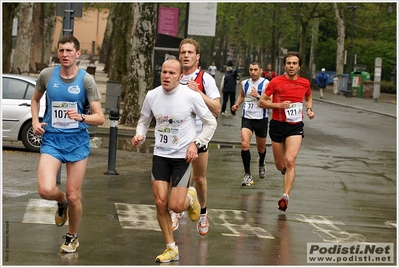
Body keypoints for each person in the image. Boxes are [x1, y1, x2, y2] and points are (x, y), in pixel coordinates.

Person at [131, 58, 217, 263]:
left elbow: (210, 123)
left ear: (180, 76)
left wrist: (196, 143)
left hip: (181, 157)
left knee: (176, 207)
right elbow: (144, 121)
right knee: (160, 203)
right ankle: (171, 247)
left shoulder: (190, 96)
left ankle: (191, 197)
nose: (166, 76)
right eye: (163, 72)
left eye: (171, 73)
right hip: (160, 155)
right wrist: (139, 134)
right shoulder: (152, 95)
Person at [31, 35, 105, 253]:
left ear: (77, 54)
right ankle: (60, 200)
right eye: (61, 50)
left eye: (69, 51)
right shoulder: (47, 75)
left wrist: (81, 117)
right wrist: (35, 121)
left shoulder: (86, 80)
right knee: (45, 190)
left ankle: (72, 236)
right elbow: (35, 100)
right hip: (52, 139)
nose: (64, 54)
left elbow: (100, 117)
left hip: (77, 143)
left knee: (75, 196)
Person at [169, 38, 221, 236]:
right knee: (179, 178)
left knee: (198, 178)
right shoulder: (173, 76)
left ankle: (203, 212)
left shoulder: (205, 78)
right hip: (178, 136)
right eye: (183, 52)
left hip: (200, 135)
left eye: (190, 52)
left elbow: (217, 107)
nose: (186, 56)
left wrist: (198, 92)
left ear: (197, 57)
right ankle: (176, 211)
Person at [258, 51, 314, 212]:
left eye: (294, 63)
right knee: (280, 164)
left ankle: (285, 196)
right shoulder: (276, 82)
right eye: (288, 63)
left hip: (295, 125)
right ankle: (285, 170)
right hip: (277, 124)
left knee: (290, 160)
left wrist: (309, 109)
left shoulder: (305, 83)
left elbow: (309, 97)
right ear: (285, 65)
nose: (291, 66)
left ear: (299, 66)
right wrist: (278, 105)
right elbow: (262, 102)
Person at [231, 61, 269, 186]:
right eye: (251, 69)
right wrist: (237, 104)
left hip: (261, 119)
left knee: (261, 148)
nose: (253, 72)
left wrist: (258, 96)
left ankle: (261, 163)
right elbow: (242, 95)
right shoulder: (245, 83)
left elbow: (271, 101)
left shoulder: (266, 83)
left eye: (255, 69)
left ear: (260, 70)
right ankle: (247, 174)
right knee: (244, 143)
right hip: (247, 118)